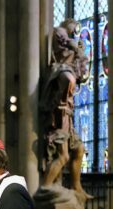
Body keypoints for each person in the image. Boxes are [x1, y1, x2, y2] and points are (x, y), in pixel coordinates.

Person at [41, 18, 89, 198]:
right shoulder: (62, 73)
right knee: (63, 157)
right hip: (60, 117)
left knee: (79, 149)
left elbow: (79, 73)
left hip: (68, 117)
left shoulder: (69, 73)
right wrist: (75, 46)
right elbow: (67, 46)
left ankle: (76, 187)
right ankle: (45, 188)